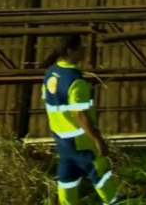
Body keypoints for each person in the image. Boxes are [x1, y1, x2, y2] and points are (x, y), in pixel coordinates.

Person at [42, 35, 120, 205]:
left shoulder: (50, 74)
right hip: (79, 139)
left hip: (61, 137)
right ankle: (113, 202)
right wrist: (98, 139)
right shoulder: (75, 81)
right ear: (70, 51)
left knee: (67, 176)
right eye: (80, 48)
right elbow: (80, 114)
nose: (84, 50)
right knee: (99, 171)